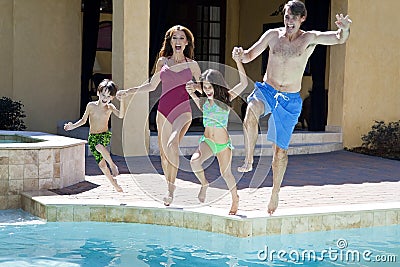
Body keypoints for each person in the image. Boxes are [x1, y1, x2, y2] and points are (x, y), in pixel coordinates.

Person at [233, 0, 352, 214]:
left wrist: (344, 29)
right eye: (287, 17)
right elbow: (250, 55)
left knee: (280, 152)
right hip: (267, 91)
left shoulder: (309, 38)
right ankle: (249, 158)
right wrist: (240, 54)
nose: (289, 22)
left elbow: (337, 39)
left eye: (294, 18)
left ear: (302, 19)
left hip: (289, 98)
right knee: (251, 111)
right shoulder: (272, 35)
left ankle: (275, 191)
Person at [116, 25, 202, 206]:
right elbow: (151, 85)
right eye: (174, 38)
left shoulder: (192, 65)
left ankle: (171, 190)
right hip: (163, 111)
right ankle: (169, 186)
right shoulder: (162, 62)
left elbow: (203, 87)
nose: (177, 41)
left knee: (172, 144)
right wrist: (129, 92)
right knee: (164, 155)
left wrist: (195, 87)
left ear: (186, 42)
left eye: (181, 38)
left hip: (183, 111)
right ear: (170, 42)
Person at [185, 54, 248, 215]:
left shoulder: (226, 99)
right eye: (205, 87)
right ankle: (204, 184)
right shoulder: (204, 102)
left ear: (217, 85)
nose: (207, 90)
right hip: (207, 142)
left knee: (226, 174)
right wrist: (192, 91)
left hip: (222, 145)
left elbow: (244, 83)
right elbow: (197, 100)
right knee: (194, 162)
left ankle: (235, 199)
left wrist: (238, 62)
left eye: (210, 87)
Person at [64, 79, 125, 192]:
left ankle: (112, 165)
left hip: (104, 135)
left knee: (99, 146)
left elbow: (121, 116)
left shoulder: (110, 107)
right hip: (92, 137)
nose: (105, 98)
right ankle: (114, 184)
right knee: (102, 166)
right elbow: (83, 121)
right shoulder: (91, 106)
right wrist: (72, 126)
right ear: (98, 93)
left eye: (108, 96)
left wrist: (122, 102)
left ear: (112, 98)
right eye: (103, 95)